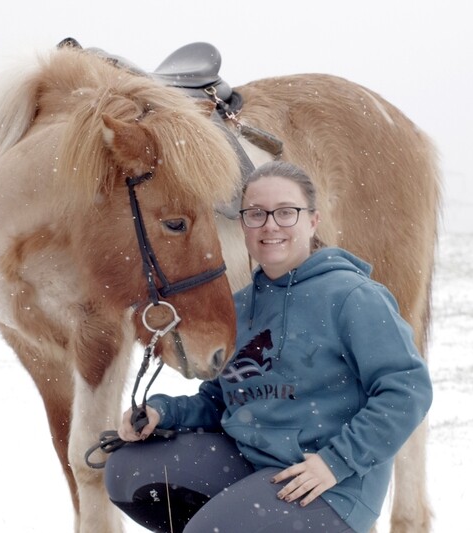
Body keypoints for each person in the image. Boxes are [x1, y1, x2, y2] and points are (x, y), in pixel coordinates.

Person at [104, 160, 433, 533]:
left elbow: (407, 390)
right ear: (243, 224)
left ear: (313, 220)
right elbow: (221, 399)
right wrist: (162, 411)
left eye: (286, 212)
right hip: (251, 462)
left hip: (325, 481)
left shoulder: (353, 296)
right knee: (127, 472)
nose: (270, 225)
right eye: (256, 214)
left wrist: (336, 462)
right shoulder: (241, 306)